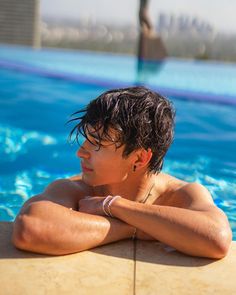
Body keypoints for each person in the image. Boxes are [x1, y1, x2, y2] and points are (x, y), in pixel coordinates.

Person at [12, 86, 232, 258]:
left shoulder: (180, 194)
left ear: (139, 158)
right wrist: (133, 229)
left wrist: (112, 205)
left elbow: (217, 238)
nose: (80, 153)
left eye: (96, 143)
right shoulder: (77, 189)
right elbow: (30, 228)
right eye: (85, 140)